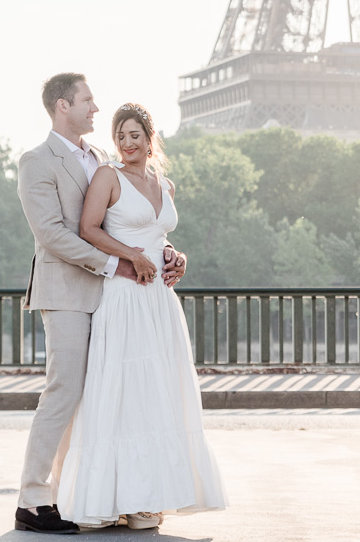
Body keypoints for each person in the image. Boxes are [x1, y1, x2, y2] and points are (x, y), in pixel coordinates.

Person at [15, 74, 187, 535]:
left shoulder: (98, 160)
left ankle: (74, 493)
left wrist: (163, 253)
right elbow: (51, 234)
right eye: (88, 100)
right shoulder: (36, 161)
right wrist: (119, 264)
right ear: (62, 106)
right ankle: (33, 500)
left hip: (114, 295)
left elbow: (131, 220)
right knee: (64, 392)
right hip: (70, 291)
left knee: (102, 398)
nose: (96, 108)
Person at [56, 101, 227, 529]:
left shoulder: (164, 184)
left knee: (159, 392)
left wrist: (174, 254)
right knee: (127, 390)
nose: (127, 143)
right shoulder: (107, 176)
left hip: (159, 301)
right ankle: (123, 498)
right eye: (120, 136)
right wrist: (133, 255)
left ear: (151, 139)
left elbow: (159, 234)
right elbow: (89, 229)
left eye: (135, 135)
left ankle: (151, 493)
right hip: (126, 294)